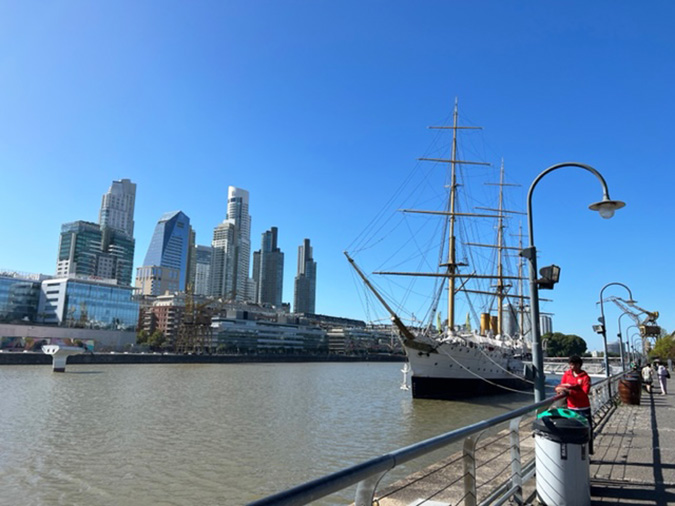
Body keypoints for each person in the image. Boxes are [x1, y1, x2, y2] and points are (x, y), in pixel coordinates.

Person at [555, 355, 593, 453]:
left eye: (573, 365)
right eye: (570, 365)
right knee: (572, 430)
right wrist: (559, 390)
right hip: (571, 407)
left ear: (579, 365)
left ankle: (588, 451)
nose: (571, 367)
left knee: (586, 430)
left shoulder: (585, 377)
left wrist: (570, 392)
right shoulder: (567, 375)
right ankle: (575, 452)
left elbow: (585, 393)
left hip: (583, 408)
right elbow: (560, 386)